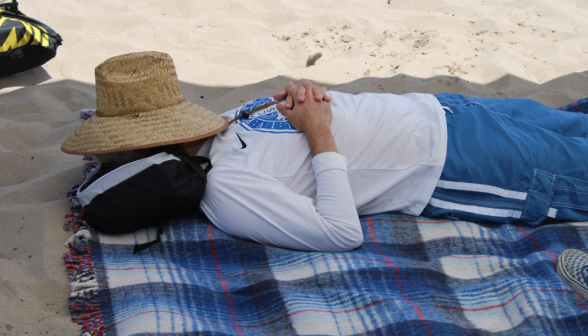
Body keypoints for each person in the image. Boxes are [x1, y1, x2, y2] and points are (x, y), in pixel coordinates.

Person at [62, 51, 588, 253]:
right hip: (460, 164)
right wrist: (318, 132)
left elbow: (308, 118)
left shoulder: (223, 123)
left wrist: (305, 94)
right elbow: (341, 234)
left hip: (448, 110)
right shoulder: (226, 190)